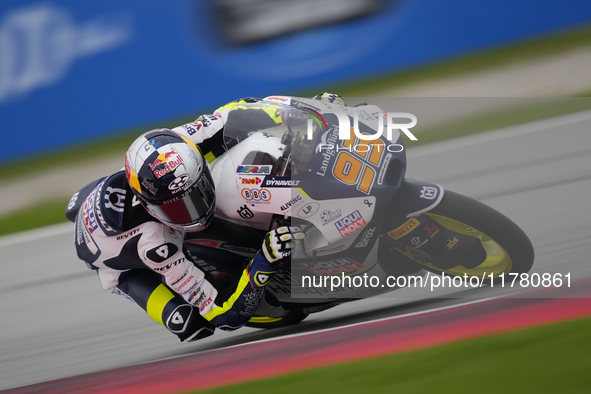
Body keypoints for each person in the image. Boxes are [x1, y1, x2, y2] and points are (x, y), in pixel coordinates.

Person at [65, 93, 340, 342]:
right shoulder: (154, 244)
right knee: (193, 323)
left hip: (112, 192)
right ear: (150, 206)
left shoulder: (178, 143)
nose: (192, 212)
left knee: (233, 139)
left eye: (195, 195)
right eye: (176, 208)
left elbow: (237, 112)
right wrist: (264, 260)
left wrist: (307, 111)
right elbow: (223, 315)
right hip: (114, 260)